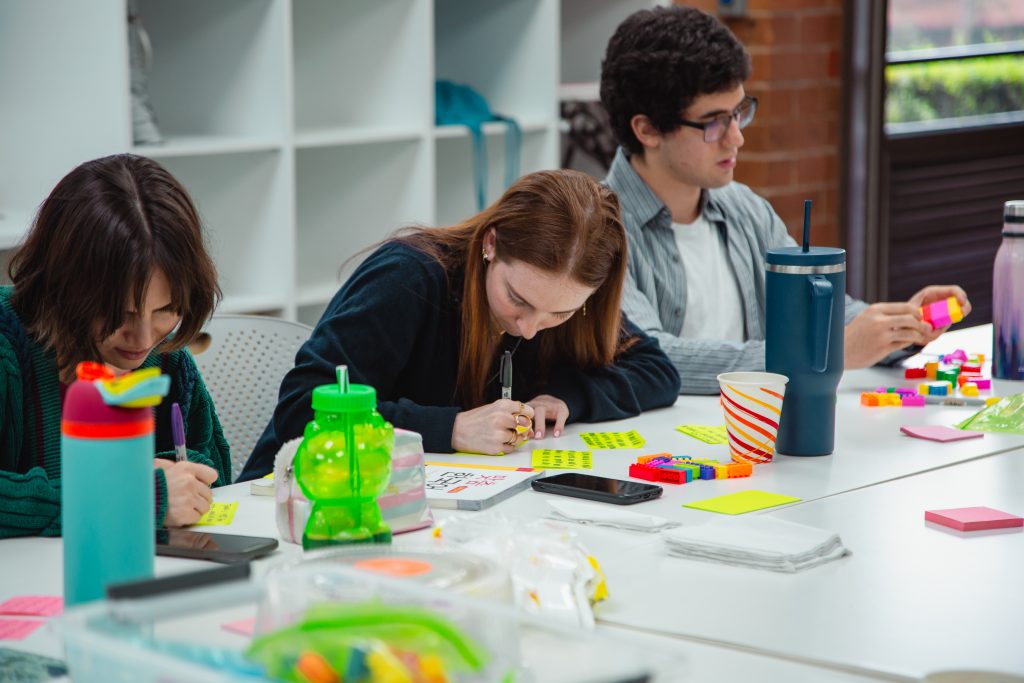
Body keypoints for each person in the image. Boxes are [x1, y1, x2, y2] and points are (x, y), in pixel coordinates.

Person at [600, 6, 971, 394]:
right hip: (661, 448)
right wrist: (824, 353)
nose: (736, 138)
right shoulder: (596, 231)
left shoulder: (744, 207)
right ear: (647, 129)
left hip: (757, 436)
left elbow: (822, 311)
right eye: (713, 123)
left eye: (739, 113)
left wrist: (903, 323)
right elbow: (651, 358)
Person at [238, 170, 680, 481]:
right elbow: (302, 411)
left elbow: (658, 372)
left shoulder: (565, 289)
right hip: (298, 500)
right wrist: (450, 428)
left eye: (559, 315)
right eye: (518, 300)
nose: (530, 330)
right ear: (491, 244)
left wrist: (564, 397)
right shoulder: (408, 276)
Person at [0, 154, 231, 538]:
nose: (143, 340)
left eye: (167, 309)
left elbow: (218, 478)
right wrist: (129, 496)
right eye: (118, 314)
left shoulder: (169, 364)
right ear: (62, 287)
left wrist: (183, 477)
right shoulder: (9, 350)